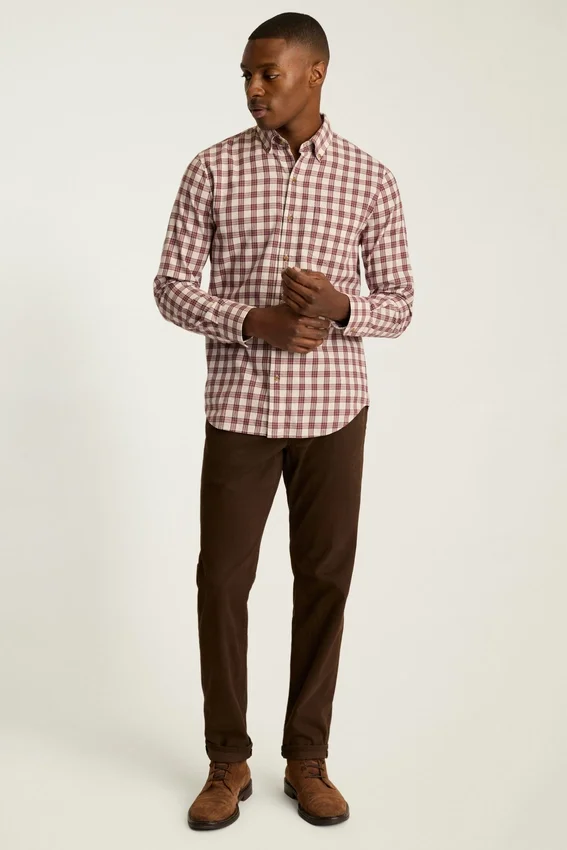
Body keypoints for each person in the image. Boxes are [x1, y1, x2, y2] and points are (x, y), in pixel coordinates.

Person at [153, 11, 414, 831]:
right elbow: (168, 286)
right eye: (246, 74)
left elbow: (400, 303)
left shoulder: (369, 178)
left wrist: (342, 308)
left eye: (269, 72)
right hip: (239, 409)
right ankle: (226, 761)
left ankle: (307, 759)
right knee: (221, 582)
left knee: (324, 579)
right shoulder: (212, 167)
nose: (253, 88)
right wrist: (250, 321)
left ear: (316, 73)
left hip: (333, 412)